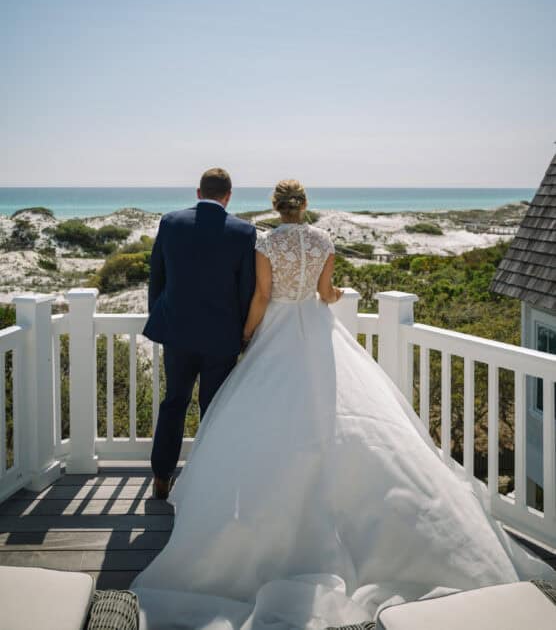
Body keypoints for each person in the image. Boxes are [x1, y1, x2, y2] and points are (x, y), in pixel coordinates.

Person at [132, 179, 556, 629]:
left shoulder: (263, 240)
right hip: (314, 330)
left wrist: (248, 332)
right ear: (304, 206)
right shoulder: (321, 239)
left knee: (227, 411)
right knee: (331, 413)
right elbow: (327, 293)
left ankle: (188, 481)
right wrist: (327, 297)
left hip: (262, 330)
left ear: (276, 207)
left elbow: (257, 295)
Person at [143, 167, 256, 499]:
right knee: (214, 407)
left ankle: (161, 478)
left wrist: (160, 316)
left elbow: (157, 276)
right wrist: (243, 333)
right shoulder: (243, 231)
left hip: (177, 332)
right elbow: (246, 288)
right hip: (221, 337)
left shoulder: (171, 222)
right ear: (229, 196)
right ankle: (209, 479)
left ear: (198, 192)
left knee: (174, 403)